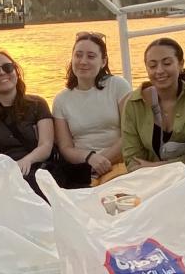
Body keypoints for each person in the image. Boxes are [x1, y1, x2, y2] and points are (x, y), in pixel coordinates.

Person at [51, 32, 134, 187]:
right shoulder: (61, 100)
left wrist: (102, 161)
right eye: (78, 55)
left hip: (120, 162)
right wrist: (90, 159)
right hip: (83, 168)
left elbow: (130, 134)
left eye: (91, 56)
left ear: (103, 61)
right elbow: (66, 148)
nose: (83, 61)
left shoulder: (118, 86)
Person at [0, 50, 56, 191]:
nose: (2, 73)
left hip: (35, 170)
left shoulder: (37, 104)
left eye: (8, 67)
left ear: (16, 72)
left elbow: (46, 146)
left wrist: (27, 160)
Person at [120, 38, 185, 174]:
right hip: (147, 179)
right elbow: (132, 159)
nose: (159, 70)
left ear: (181, 64)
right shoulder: (134, 104)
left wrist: (159, 166)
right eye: (152, 66)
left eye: (167, 63)